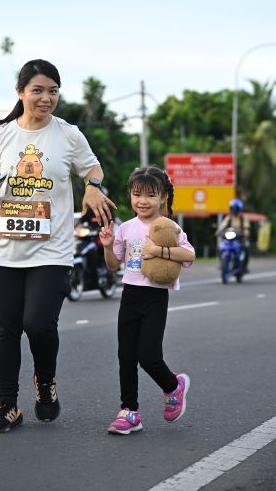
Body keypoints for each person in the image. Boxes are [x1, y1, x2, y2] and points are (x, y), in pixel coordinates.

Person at [0, 59, 116, 433]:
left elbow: (92, 169)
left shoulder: (68, 135)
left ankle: (45, 382)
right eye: (38, 90)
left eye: (53, 91)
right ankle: (8, 408)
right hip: (3, 246)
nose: (46, 98)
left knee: (38, 324)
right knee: (6, 328)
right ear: (20, 92)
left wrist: (93, 186)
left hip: (52, 249)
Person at [99, 165, 195, 435]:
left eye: (151, 195)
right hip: (130, 295)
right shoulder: (125, 228)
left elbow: (189, 256)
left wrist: (159, 250)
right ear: (130, 195)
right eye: (137, 194)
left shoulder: (169, 228)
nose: (143, 201)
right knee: (126, 357)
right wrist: (108, 246)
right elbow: (113, 265)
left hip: (155, 297)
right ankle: (129, 412)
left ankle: (173, 386)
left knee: (149, 357)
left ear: (163, 197)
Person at [215, 199, 250, 272]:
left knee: (246, 247)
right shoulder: (229, 217)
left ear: (240, 209)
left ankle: (244, 266)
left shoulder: (243, 218)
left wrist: (246, 232)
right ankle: (222, 263)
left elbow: (246, 227)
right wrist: (219, 231)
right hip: (230, 237)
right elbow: (223, 224)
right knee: (220, 247)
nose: (234, 210)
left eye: (236, 208)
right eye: (233, 208)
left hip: (240, 238)